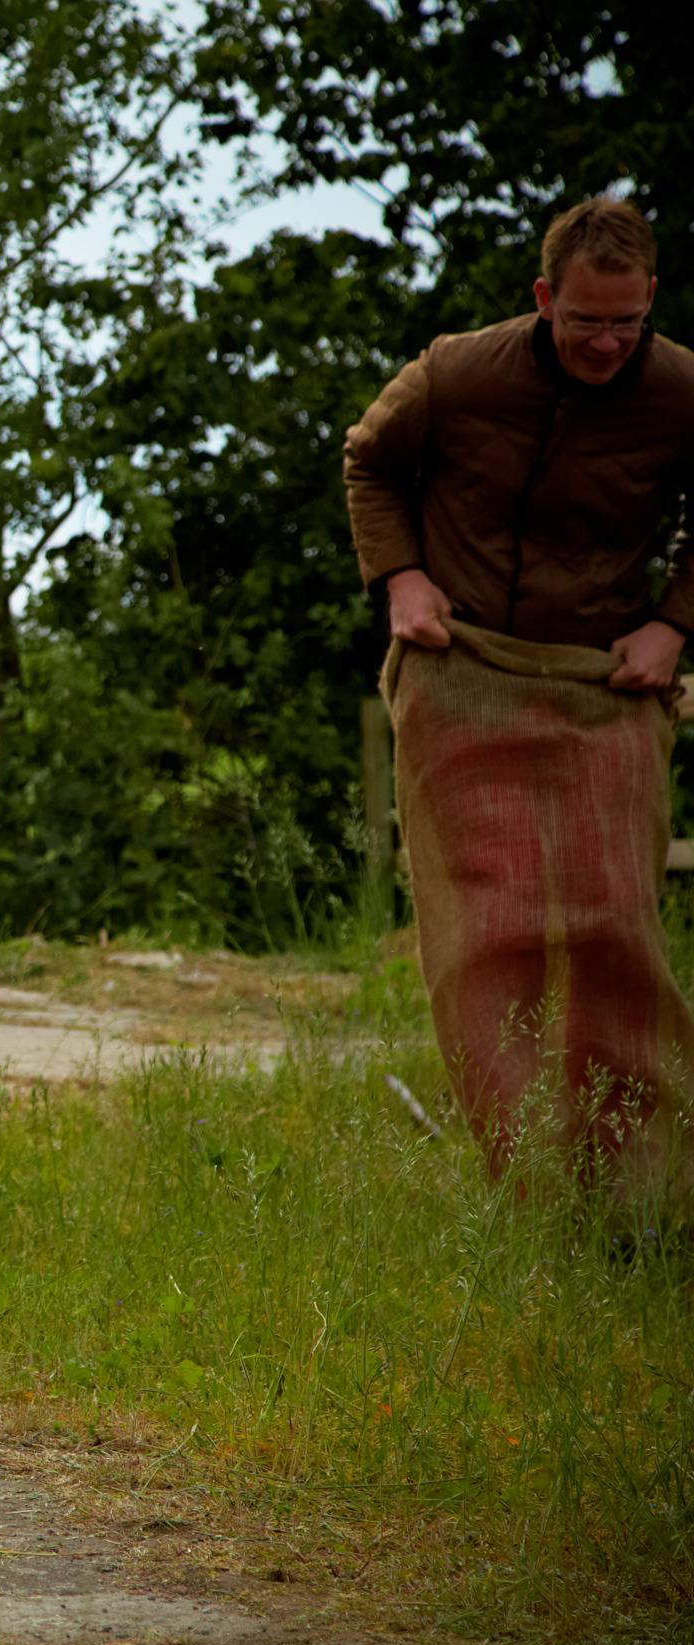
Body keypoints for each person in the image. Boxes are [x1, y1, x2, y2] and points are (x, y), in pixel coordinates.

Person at [345, 195, 694, 1220]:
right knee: (482, 933)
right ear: (543, 297)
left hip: (603, 676)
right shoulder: (458, 370)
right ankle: (527, 1178)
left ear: (649, 305)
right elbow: (368, 457)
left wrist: (671, 625)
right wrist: (401, 580)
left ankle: (645, 1189)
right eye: (583, 319)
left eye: (623, 322)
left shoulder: (679, 389)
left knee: (611, 927)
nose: (602, 342)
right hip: (464, 669)